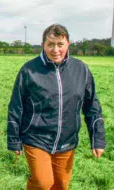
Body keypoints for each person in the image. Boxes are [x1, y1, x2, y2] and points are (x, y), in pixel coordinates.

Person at [7, 24, 106, 190]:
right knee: (43, 183)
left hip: (67, 141)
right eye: (50, 44)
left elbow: (92, 106)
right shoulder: (29, 70)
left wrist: (98, 138)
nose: (55, 50)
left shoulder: (81, 69)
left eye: (60, 44)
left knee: (60, 185)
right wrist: (14, 139)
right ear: (43, 45)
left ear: (68, 44)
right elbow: (16, 106)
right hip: (36, 138)